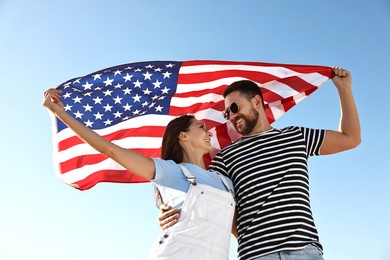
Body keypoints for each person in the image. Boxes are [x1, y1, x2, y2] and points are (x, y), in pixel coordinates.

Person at [158, 66, 361, 259]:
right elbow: (196, 192)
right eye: (227, 113)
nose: (231, 116)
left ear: (256, 101)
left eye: (235, 108)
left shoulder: (296, 136)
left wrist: (344, 89)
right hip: (256, 255)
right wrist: (166, 209)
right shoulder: (225, 158)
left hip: (306, 252)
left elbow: (350, 138)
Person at [43, 89, 238, 260]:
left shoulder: (226, 181)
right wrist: (61, 114)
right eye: (201, 127)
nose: (210, 133)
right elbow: (110, 150)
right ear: (183, 135)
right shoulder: (169, 171)